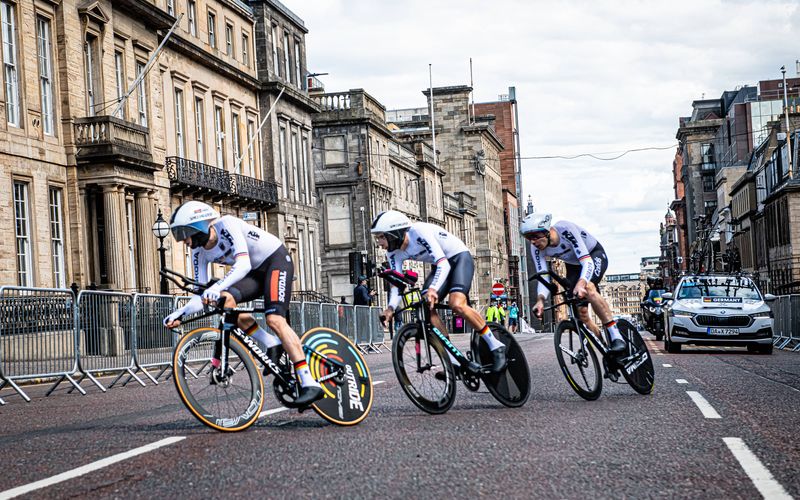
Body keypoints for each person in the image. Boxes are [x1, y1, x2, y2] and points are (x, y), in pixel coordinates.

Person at [162, 201, 323, 407]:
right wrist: (181, 313)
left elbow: (243, 264)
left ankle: (309, 382)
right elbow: (200, 298)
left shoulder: (227, 224)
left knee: (274, 319)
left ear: (200, 226)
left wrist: (216, 286)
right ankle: (271, 342)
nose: (183, 240)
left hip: (275, 261)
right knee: (225, 301)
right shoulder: (198, 252)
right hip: (254, 274)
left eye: (185, 233)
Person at [372, 210, 507, 373]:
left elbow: (444, 263)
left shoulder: (419, 232)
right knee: (425, 305)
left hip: (458, 258)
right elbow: (397, 285)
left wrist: (433, 289)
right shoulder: (393, 253)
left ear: (394, 233)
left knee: (456, 304)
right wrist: (390, 309)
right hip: (440, 267)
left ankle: (496, 345)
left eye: (381, 237)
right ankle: (452, 360)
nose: (378, 242)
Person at [522, 212, 626, 355]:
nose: (533, 242)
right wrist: (540, 300)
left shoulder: (566, 229)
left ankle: (616, 337)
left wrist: (581, 283)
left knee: (588, 288)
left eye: (535, 236)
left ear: (547, 231)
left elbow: (587, 261)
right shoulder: (536, 248)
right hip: (573, 265)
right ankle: (605, 350)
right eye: (528, 238)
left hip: (592, 255)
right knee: (581, 314)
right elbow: (543, 276)